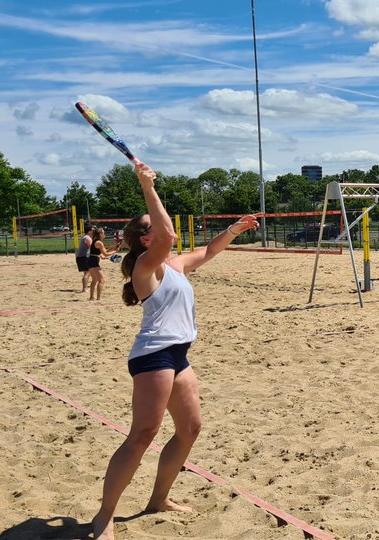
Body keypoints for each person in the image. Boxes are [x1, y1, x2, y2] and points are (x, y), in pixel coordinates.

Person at [90, 161, 259, 540]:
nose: (168, 231)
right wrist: (147, 187)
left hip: (179, 355)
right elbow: (165, 234)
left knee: (190, 429)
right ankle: (104, 517)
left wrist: (235, 228)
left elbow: (210, 250)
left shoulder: (175, 264)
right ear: (146, 240)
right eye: (154, 228)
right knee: (143, 434)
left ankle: (158, 500)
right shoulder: (145, 265)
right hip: (153, 356)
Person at [87, 228, 121, 301]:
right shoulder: (99, 242)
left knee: (94, 280)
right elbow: (105, 254)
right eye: (103, 233)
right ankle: (98, 298)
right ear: (100, 234)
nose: (104, 234)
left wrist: (112, 248)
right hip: (93, 261)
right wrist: (115, 251)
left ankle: (91, 297)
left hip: (91, 260)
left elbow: (103, 252)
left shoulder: (95, 241)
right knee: (101, 280)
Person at [76, 226, 95, 292]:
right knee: (87, 273)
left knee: (87, 273)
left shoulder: (85, 237)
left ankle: (86, 287)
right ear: (89, 231)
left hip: (81, 257)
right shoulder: (87, 238)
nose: (94, 231)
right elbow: (93, 248)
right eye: (93, 230)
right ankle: (84, 289)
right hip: (84, 257)